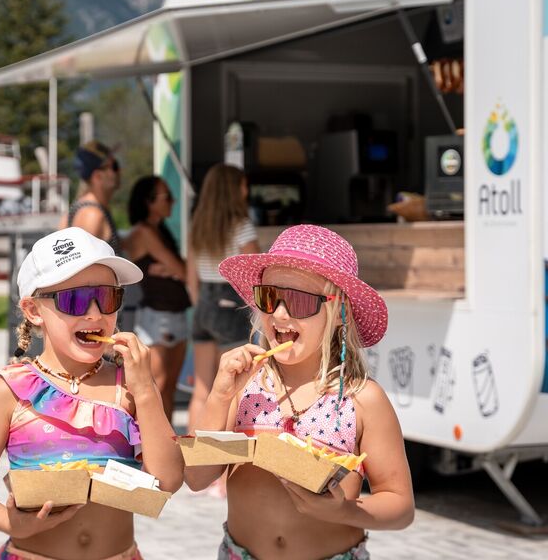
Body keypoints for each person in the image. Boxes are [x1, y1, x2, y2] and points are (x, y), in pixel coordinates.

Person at [0, 227, 184, 560]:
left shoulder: (129, 388)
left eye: (107, 298)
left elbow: (168, 480)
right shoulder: (9, 391)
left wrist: (146, 390)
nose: (95, 313)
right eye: (74, 300)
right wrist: (11, 522)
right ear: (34, 311)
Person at [185, 224, 414, 560]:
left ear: (339, 314)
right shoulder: (244, 386)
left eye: (299, 301)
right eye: (269, 298)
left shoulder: (361, 399)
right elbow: (195, 477)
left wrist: (345, 512)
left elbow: (400, 505)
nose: (279, 313)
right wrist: (219, 396)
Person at [186, 164, 260, 430]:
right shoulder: (241, 226)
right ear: (233, 189)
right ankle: (223, 460)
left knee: (202, 388)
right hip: (231, 302)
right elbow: (255, 271)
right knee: (235, 388)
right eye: (243, 184)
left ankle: (194, 456)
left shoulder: (198, 224)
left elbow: (191, 275)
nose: (246, 190)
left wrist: (201, 305)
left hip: (205, 301)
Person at [124, 175, 191, 421]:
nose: (172, 201)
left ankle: (167, 443)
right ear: (149, 202)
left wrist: (173, 270)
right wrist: (172, 270)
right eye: (167, 197)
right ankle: (150, 446)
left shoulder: (158, 231)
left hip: (172, 313)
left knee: (168, 387)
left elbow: (181, 269)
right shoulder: (144, 232)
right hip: (158, 316)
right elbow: (183, 270)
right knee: (158, 387)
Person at [63, 141, 122, 253]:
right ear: (97, 176)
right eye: (114, 166)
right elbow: (82, 266)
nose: (119, 171)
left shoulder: (81, 208)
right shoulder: (92, 215)